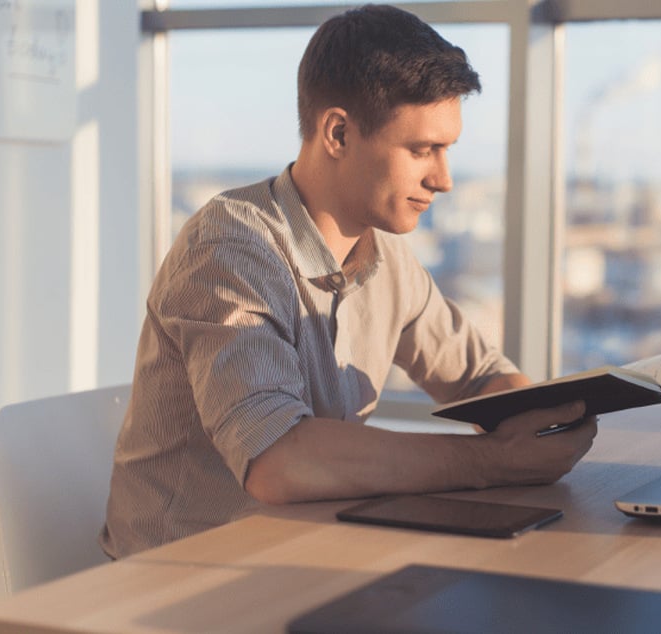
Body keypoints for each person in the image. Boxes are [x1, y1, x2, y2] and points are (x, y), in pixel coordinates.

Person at [100, 3, 597, 559]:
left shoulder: (385, 253)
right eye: (422, 150)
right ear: (337, 133)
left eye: (447, 150)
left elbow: (478, 378)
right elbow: (277, 459)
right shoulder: (229, 249)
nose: (444, 179)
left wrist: (548, 423)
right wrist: (492, 462)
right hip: (181, 577)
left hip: (306, 555)